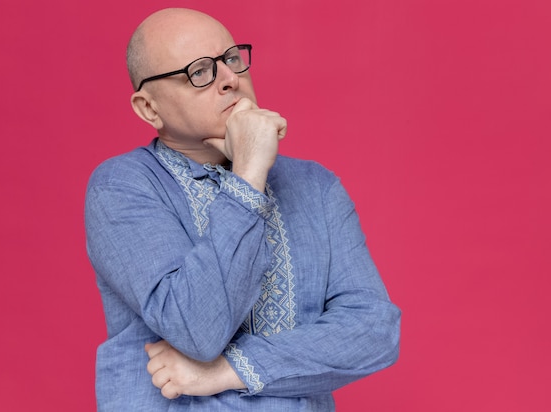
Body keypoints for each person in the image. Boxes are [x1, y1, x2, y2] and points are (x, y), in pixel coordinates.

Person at [85, 7, 401, 411]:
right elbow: (196, 330)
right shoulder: (123, 185)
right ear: (150, 108)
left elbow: (375, 331)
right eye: (200, 71)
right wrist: (250, 173)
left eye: (232, 59)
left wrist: (225, 371)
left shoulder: (315, 186)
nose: (230, 79)